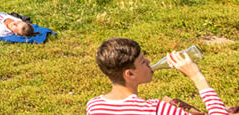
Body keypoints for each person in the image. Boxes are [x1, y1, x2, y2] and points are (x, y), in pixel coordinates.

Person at [86, 38, 228, 115]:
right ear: (130, 74)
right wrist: (197, 76)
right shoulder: (154, 109)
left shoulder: (94, 106)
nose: (148, 62)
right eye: (143, 61)